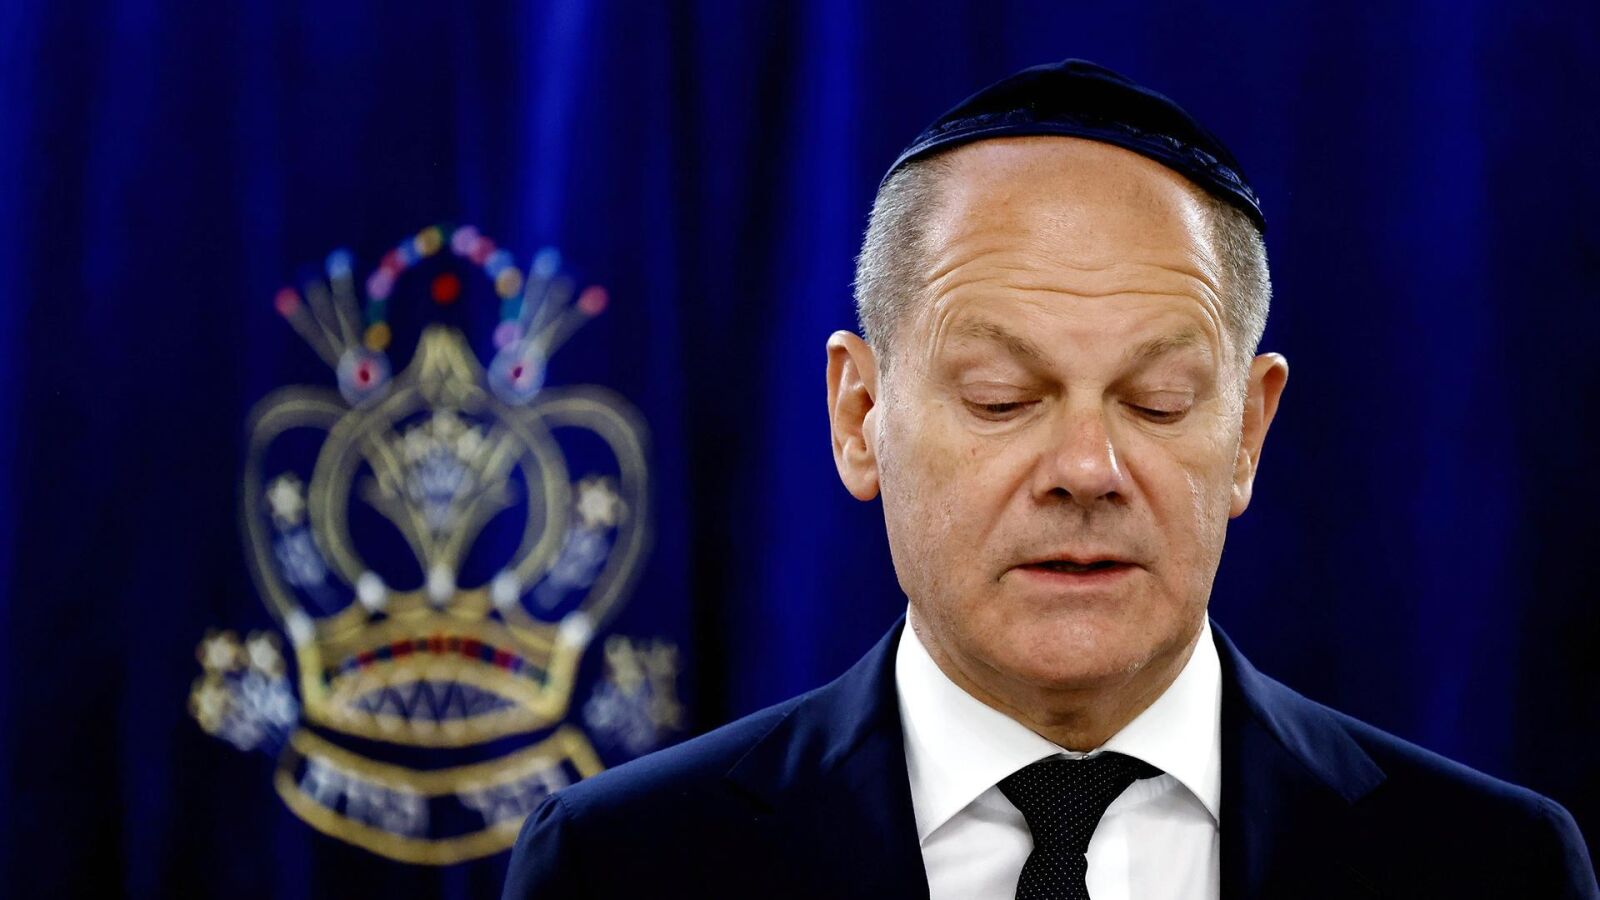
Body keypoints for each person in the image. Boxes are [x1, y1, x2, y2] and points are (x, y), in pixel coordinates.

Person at [502, 58, 1599, 899]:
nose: (1085, 469)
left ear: (1248, 434)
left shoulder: (1491, 868)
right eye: (1000, 398)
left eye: (1156, 402)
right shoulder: (624, 866)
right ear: (858, 416)